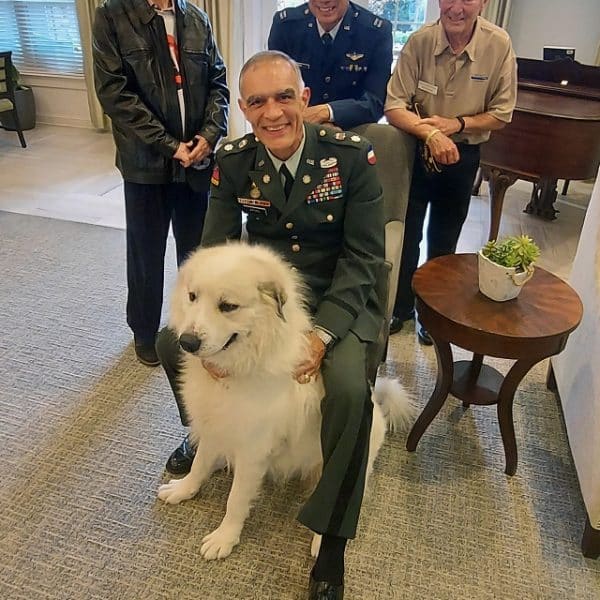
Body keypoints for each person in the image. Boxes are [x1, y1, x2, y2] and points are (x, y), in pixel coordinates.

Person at [156, 50, 385, 600]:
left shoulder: (350, 157)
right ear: (243, 108)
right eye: (257, 101)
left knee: (350, 390)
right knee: (172, 345)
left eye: (284, 96)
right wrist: (200, 319)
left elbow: (365, 259)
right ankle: (207, 436)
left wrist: (323, 333)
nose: (273, 112)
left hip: (336, 298)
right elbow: (213, 250)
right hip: (256, 304)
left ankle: (331, 531)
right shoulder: (234, 159)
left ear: (304, 99)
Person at [92, 0, 229, 366]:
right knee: (145, 252)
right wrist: (170, 146)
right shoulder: (111, 16)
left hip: (197, 160)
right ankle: (144, 330)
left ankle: (196, 326)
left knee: (197, 253)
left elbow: (218, 83)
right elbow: (114, 94)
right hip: (146, 164)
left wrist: (209, 135)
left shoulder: (197, 19)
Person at [384, 0, 517, 343]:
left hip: (463, 153)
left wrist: (457, 124)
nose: (456, 8)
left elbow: (502, 113)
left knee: (444, 238)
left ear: (483, 3)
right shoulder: (419, 41)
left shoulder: (498, 44)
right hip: (414, 149)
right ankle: (400, 309)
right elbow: (394, 104)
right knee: (408, 234)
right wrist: (429, 133)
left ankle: (431, 313)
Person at [268, 0, 392, 130]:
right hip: (296, 126)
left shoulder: (375, 32)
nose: (324, 1)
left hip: (352, 129)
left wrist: (328, 113)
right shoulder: (286, 25)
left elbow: (375, 102)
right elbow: (274, 89)